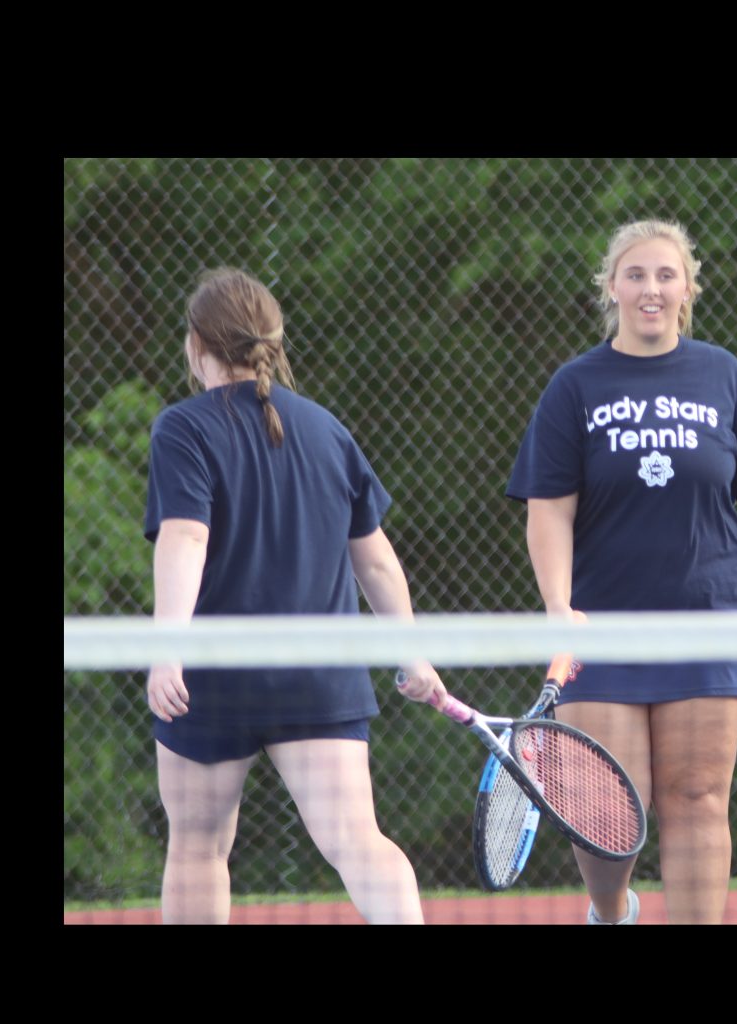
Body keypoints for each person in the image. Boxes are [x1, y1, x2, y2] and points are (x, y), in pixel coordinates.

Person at [506, 221, 737, 924]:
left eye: (666, 275)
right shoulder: (574, 386)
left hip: (710, 616)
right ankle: (611, 913)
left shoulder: (723, 375)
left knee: (698, 796)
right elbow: (548, 510)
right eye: (637, 275)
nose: (652, 289)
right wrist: (558, 608)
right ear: (612, 288)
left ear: (687, 290)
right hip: (601, 625)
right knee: (605, 806)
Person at [143, 267, 446, 924]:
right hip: (319, 676)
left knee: (198, 849)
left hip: (214, 678)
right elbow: (377, 560)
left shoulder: (182, 429)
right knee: (359, 841)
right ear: (273, 342)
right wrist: (413, 653)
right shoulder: (327, 429)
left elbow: (186, 538)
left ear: (197, 344)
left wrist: (167, 650)